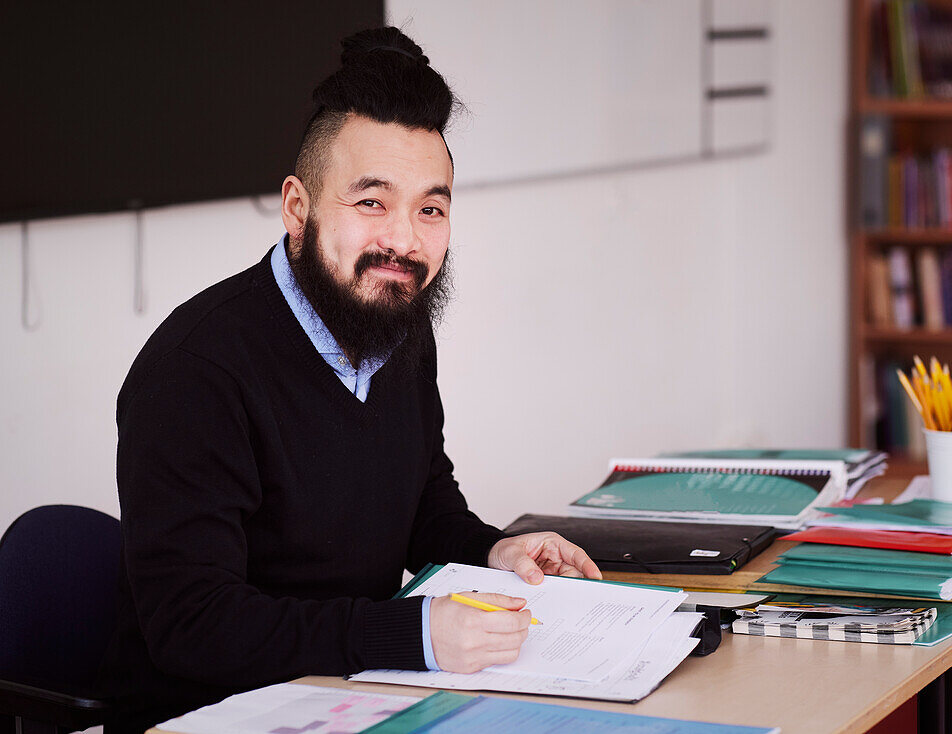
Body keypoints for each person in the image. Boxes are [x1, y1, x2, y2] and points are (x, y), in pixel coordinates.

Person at [98, 26, 601, 733]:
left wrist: (492, 550)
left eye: (430, 208)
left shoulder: (394, 323)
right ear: (297, 210)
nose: (404, 240)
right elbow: (194, 625)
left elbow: (422, 504)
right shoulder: (197, 370)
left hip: (365, 697)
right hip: (210, 713)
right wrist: (413, 634)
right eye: (371, 202)